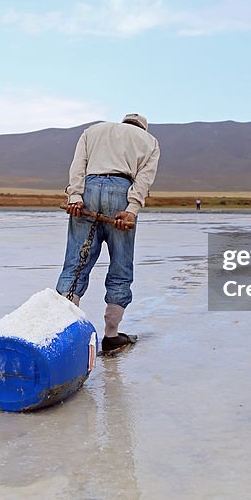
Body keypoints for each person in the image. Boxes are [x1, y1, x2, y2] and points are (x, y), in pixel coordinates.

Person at [57, 113, 160, 353]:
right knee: (120, 268)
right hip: (122, 194)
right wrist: (132, 209)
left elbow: (78, 165)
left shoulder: (93, 131)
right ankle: (111, 336)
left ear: (123, 122)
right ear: (142, 129)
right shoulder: (149, 141)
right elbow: (144, 178)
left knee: (75, 264)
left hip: (88, 190)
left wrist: (75, 196)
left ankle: (63, 333)